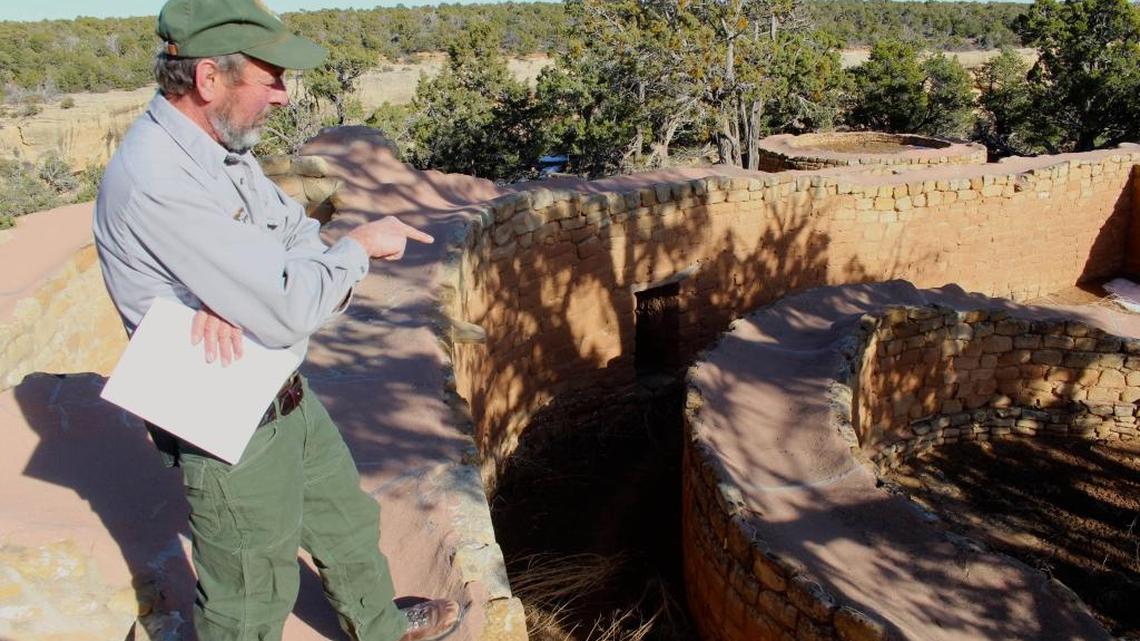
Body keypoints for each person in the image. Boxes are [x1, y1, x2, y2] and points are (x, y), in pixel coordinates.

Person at [92, 1, 461, 640]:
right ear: (209, 80)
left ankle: (378, 627)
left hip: (277, 387)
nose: (285, 96)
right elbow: (289, 305)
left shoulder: (221, 153)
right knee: (249, 591)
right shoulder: (158, 176)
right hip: (221, 413)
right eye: (272, 79)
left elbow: (294, 233)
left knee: (345, 522)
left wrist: (256, 291)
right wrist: (356, 250)